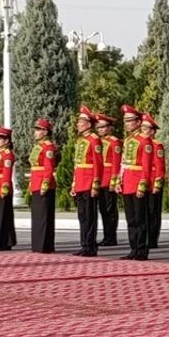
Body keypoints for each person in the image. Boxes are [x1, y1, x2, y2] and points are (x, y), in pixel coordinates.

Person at [117, 106, 152, 260]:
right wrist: (119, 179)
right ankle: (133, 248)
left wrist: (143, 184)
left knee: (140, 219)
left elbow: (146, 165)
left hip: (138, 182)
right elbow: (123, 163)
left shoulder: (145, 140)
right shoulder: (128, 140)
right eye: (126, 121)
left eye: (130, 121)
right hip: (127, 182)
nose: (127, 124)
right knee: (130, 219)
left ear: (138, 122)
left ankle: (142, 249)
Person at [70, 106, 103, 257]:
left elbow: (98, 164)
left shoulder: (94, 140)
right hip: (81, 183)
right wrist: (74, 183)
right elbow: (77, 164)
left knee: (90, 216)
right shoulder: (81, 141)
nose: (78, 124)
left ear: (89, 124)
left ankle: (90, 246)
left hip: (89, 182)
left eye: (81, 121)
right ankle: (84, 244)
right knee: (82, 216)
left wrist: (95, 184)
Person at [28, 118, 57, 253]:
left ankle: (45, 245)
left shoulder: (48, 147)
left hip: (43, 183)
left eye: (38, 130)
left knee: (44, 215)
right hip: (35, 181)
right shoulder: (38, 147)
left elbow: (49, 168)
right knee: (38, 215)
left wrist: (45, 183)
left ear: (45, 132)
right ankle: (38, 244)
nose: (36, 132)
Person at [95, 111, 123, 246]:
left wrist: (114, 180)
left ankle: (111, 236)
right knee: (102, 208)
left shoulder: (114, 142)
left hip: (108, 179)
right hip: (99, 179)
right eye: (98, 127)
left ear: (110, 127)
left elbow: (116, 163)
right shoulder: (97, 141)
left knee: (109, 209)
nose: (100, 130)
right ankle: (106, 236)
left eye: (103, 127)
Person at [0, 126, 17, 251]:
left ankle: (2, 242)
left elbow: (7, 172)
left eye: (0, 138)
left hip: (2, 187)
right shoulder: (0, 154)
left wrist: (4, 187)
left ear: (7, 141)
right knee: (1, 215)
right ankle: (6, 241)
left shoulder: (7, 155)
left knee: (2, 216)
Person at [143, 114, 166, 250]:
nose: (143, 131)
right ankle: (145, 237)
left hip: (153, 182)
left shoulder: (157, 145)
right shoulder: (141, 142)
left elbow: (160, 166)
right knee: (144, 211)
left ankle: (152, 239)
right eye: (142, 128)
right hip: (144, 181)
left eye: (146, 129)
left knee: (153, 212)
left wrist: (157, 183)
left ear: (152, 131)